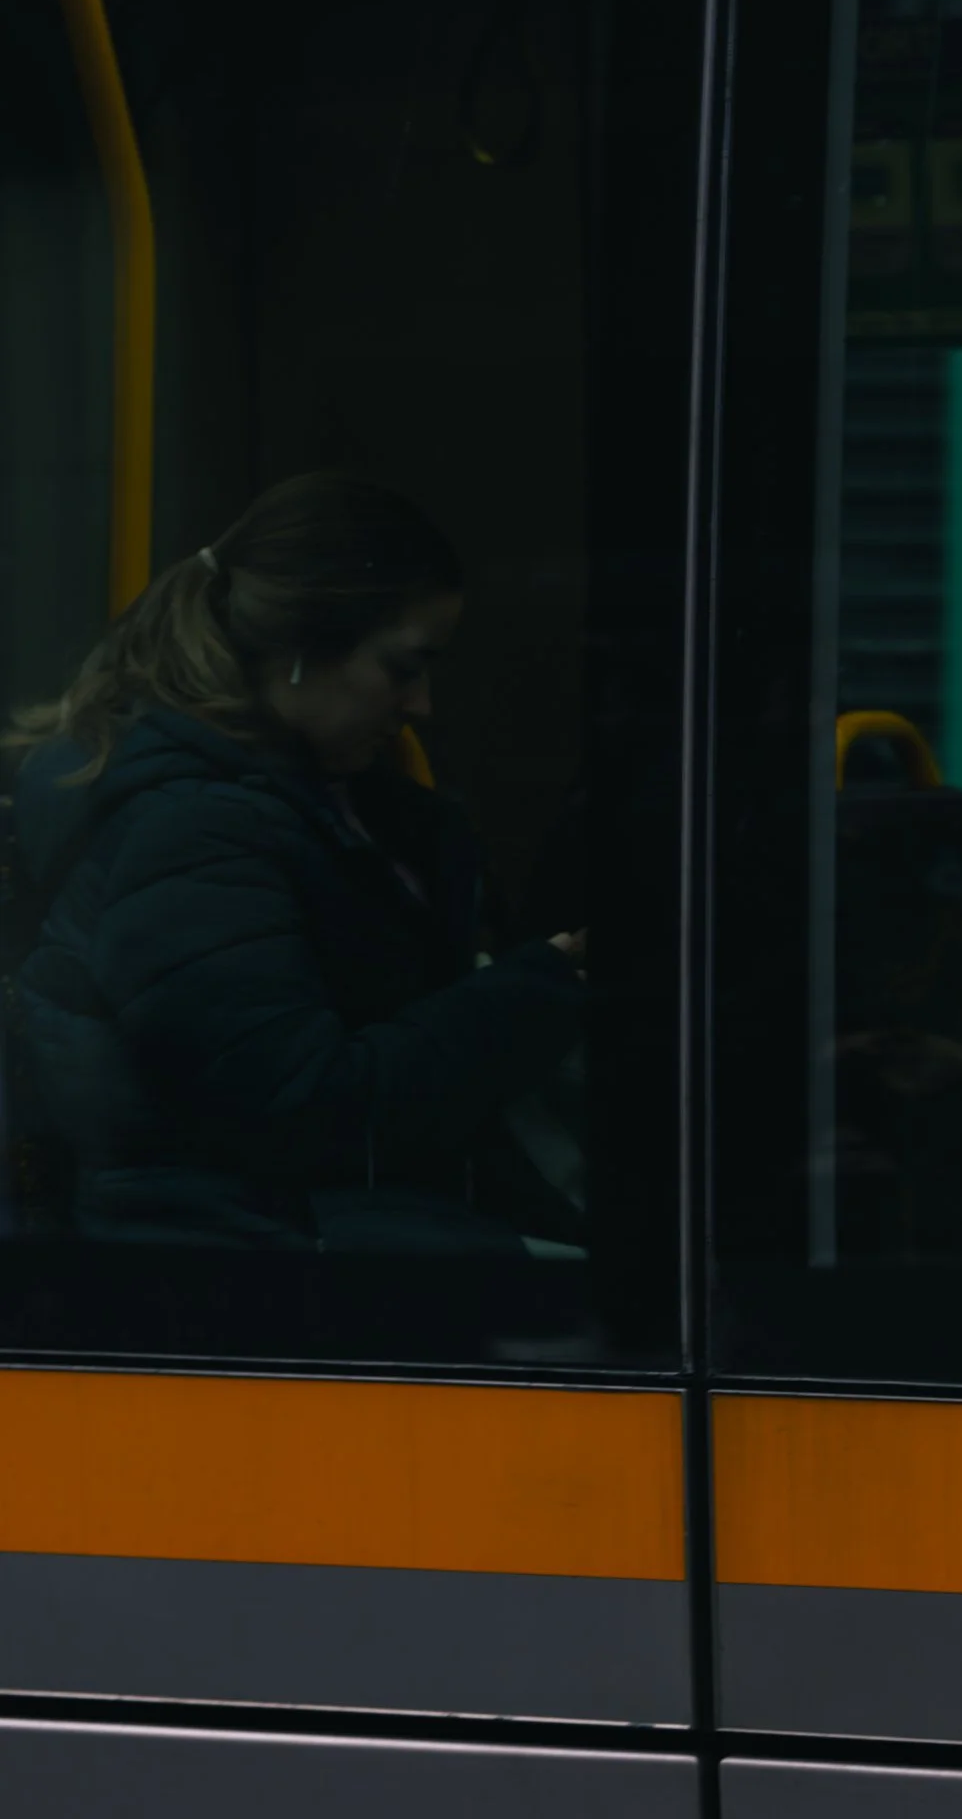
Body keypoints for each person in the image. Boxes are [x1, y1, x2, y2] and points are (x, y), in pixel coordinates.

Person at [7, 475, 585, 1253]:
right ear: (301, 650)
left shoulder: (326, 800)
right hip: (246, 1272)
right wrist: (528, 995)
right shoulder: (194, 830)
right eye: (403, 668)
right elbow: (296, 1110)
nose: (421, 707)